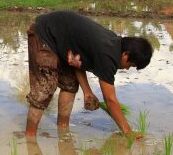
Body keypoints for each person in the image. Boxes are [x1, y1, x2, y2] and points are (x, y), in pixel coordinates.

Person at [25, 10, 153, 140]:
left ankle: (62, 128)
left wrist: (87, 92)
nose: (126, 69)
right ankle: (30, 137)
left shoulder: (113, 44)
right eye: (131, 65)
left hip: (60, 39)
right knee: (45, 89)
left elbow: (78, 60)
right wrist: (128, 132)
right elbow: (110, 100)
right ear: (125, 55)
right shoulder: (108, 55)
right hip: (43, 33)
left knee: (70, 84)